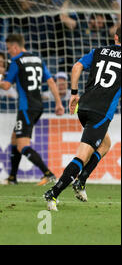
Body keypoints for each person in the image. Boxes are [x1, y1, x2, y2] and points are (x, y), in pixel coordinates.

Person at [44, 27, 121, 211]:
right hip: (100, 113)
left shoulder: (98, 51)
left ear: (116, 36)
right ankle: (53, 193)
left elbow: (77, 66)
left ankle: (81, 182)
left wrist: (74, 93)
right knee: (82, 155)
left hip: (83, 106)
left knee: (104, 145)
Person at [0, 34, 65, 185]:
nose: (8, 52)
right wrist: (58, 103)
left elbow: (7, 86)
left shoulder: (16, 61)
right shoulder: (38, 60)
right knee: (15, 138)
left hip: (26, 107)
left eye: (8, 49)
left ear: (15, 47)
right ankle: (12, 178)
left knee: (22, 145)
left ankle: (48, 174)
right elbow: (51, 82)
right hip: (38, 106)